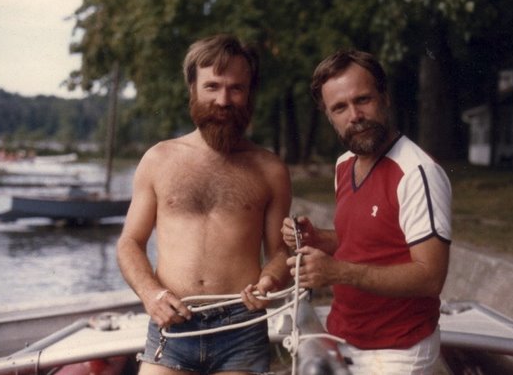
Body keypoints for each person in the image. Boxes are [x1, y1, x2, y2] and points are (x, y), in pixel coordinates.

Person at [117, 34, 292, 375]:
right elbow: (129, 242)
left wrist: (271, 279)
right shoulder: (158, 159)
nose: (223, 100)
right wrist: (151, 294)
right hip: (171, 322)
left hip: (241, 326)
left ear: (249, 93)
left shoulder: (270, 169)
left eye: (236, 88)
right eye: (212, 86)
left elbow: (280, 252)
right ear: (193, 89)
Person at [282, 49, 451, 375]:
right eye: (339, 108)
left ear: (384, 98)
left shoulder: (417, 172)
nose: (354, 115)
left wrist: (338, 272)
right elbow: (365, 243)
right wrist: (316, 238)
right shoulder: (345, 165)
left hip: (398, 350)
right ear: (329, 116)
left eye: (363, 99)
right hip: (344, 336)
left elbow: (431, 277)